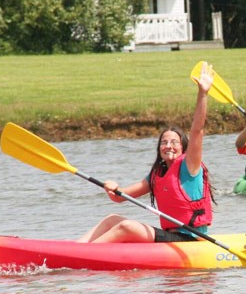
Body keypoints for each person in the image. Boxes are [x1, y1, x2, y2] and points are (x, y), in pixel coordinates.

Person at [77, 62, 216, 243]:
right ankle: (73, 248)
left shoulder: (190, 165)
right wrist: (112, 187)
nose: (169, 146)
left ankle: (83, 255)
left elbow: (197, 130)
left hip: (192, 239)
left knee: (127, 227)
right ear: (159, 148)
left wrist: (203, 93)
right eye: (164, 142)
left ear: (183, 148)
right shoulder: (156, 175)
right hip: (171, 236)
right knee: (112, 219)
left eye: (174, 142)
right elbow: (120, 197)